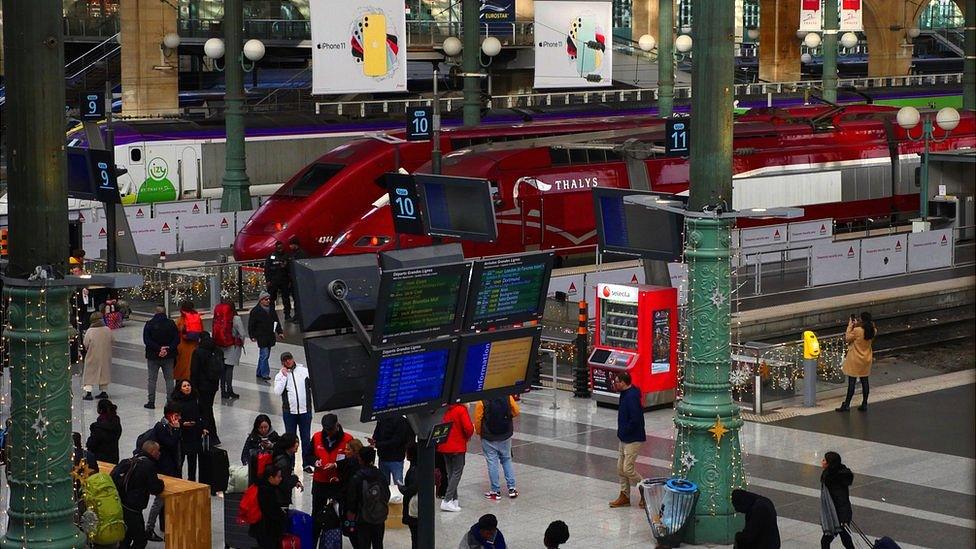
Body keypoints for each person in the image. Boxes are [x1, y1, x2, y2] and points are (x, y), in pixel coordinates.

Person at [113, 440, 164, 549]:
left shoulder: (128, 461)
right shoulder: (148, 465)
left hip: (122, 505)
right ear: (152, 451)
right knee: (140, 540)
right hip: (134, 509)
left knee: (126, 537)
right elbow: (155, 489)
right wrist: (161, 483)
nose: (160, 453)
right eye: (158, 450)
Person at [311, 414, 354, 541]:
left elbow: (352, 461)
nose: (329, 433)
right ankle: (314, 538)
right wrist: (315, 461)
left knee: (341, 512)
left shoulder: (348, 439)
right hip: (320, 481)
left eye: (331, 429)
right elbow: (309, 454)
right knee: (317, 511)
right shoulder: (317, 437)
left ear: (337, 425)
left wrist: (336, 465)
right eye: (326, 430)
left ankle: (338, 538)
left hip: (338, 483)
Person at [145, 405, 182, 542]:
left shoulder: (171, 426)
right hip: (163, 469)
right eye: (175, 415)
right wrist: (177, 429)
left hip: (172, 467)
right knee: (160, 500)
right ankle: (149, 528)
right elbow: (171, 443)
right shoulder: (161, 427)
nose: (177, 418)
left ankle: (170, 524)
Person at [610, 371, 646, 509]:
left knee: (628, 469)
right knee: (620, 468)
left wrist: (626, 430)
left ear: (624, 382)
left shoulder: (631, 397)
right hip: (624, 437)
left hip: (633, 438)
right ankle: (624, 495)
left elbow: (635, 419)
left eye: (617, 381)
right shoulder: (625, 394)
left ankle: (646, 491)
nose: (615, 384)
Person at [272, 351, 313, 470]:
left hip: (305, 411)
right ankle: (290, 464)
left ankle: (306, 463)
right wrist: (284, 377)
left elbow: (313, 385)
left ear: (292, 358)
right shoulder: (280, 375)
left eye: (289, 359)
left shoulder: (303, 371)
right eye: (285, 360)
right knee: (290, 440)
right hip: (289, 413)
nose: (288, 361)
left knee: (306, 438)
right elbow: (277, 391)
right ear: (282, 362)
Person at [474, 396, 520, 500]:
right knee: (507, 459)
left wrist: (479, 432)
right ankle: (512, 488)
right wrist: (507, 418)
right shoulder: (507, 396)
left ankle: (495, 491)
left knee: (492, 462)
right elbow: (516, 411)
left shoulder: (482, 401)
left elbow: (478, 419)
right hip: (505, 434)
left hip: (488, 436)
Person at [346, 446, 389, 549]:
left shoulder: (357, 477)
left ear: (360, 459)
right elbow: (387, 494)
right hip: (379, 516)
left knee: (363, 544)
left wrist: (351, 513)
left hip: (363, 517)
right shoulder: (381, 475)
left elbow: (352, 499)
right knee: (378, 543)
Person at [836, 312, 877, 412]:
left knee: (852, 383)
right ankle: (864, 403)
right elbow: (869, 328)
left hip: (855, 359)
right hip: (866, 359)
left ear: (862, 320)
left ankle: (846, 404)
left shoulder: (857, 330)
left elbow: (847, 338)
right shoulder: (873, 330)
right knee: (865, 381)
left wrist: (850, 325)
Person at [437, 402, 473, 512]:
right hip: (457, 446)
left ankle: (454, 499)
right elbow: (468, 428)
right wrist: (467, 437)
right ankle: (447, 500)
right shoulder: (461, 409)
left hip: (444, 446)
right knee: (457, 473)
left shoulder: (442, 408)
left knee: (450, 474)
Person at [168, 379, 207, 481]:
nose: (187, 387)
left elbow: (202, 415)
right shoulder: (175, 402)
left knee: (193, 462)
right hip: (181, 436)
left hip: (194, 435)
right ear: (180, 389)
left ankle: (192, 481)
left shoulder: (196, 400)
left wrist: (203, 427)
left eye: (188, 385)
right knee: (179, 461)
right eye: (184, 386)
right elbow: (170, 418)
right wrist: (182, 424)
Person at [189, 332, 224, 445]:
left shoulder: (198, 352)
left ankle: (210, 436)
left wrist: (192, 387)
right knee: (208, 409)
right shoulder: (218, 350)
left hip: (201, 386)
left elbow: (194, 371)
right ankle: (211, 436)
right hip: (213, 385)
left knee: (205, 411)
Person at [142, 305, 179, 409]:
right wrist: (167, 349)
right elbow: (177, 339)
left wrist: (158, 349)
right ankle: (170, 402)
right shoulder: (171, 324)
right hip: (169, 356)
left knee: (152, 379)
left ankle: (151, 402)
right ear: (165, 312)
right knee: (169, 379)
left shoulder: (149, 324)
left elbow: (147, 340)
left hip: (153, 356)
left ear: (155, 312)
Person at [212, 298, 247, 400]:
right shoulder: (236, 318)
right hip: (232, 346)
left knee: (222, 370)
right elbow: (242, 334)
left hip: (220, 345)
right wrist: (241, 343)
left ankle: (223, 391)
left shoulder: (219, 317)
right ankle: (229, 390)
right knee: (229, 369)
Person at [820, 451, 855, 549]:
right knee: (846, 541)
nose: (822, 461)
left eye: (824, 460)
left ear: (829, 463)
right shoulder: (832, 475)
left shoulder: (833, 480)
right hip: (838, 515)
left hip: (838, 517)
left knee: (826, 541)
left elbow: (841, 501)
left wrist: (843, 519)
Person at [249, 464, 288, 549]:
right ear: (271, 478)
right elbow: (272, 512)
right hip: (266, 530)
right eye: (278, 477)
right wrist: (283, 515)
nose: (280, 479)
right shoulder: (267, 491)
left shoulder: (261, 486)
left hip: (259, 528)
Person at [368, 414, 414, 488]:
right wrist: (374, 440)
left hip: (395, 458)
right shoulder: (382, 417)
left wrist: (378, 444)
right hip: (384, 457)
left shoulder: (400, 421)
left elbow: (397, 441)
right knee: (384, 483)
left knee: (398, 484)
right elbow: (377, 431)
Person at [247, 291, 283, 381]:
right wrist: (252, 335)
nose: (268, 301)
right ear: (261, 300)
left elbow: (276, 321)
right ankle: (265, 373)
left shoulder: (271, 309)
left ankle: (259, 372)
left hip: (270, 336)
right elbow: (251, 324)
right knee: (265, 355)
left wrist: (280, 332)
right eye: (266, 299)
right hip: (262, 336)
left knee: (264, 355)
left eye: (268, 299)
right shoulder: (255, 311)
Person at [82, 311, 113, 401]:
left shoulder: (90, 331)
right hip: (105, 355)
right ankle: (104, 392)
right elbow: (113, 340)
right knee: (104, 373)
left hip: (93, 355)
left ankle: (88, 393)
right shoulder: (107, 329)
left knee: (89, 373)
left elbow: (85, 343)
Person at [270, 433, 303, 506]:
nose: (297, 444)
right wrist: (295, 478)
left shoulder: (283, 457)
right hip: (279, 499)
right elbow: (284, 484)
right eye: (295, 442)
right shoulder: (283, 462)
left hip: (277, 497)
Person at [264, 240, 293, 321]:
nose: (280, 249)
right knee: (272, 299)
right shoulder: (271, 256)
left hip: (284, 280)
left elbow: (290, 269)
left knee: (286, 298)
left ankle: (287, 315)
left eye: (281, 247)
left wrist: (290, 279)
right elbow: (267, 269)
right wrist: (268, 280)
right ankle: (271, 314)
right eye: (278, 247)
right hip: (273, 281)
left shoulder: (287, 256)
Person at [87, 398, 122, 464]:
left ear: (101, 410)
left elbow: (91, 444)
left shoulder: (98, 427)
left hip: (99, 459)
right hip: (113, 457)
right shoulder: (116, 423)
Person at [174, 300, 203, 380]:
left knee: (181, 369)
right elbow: (201, 331)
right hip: (194, 346)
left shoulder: (180, 320)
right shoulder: (197, 318)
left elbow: (176, 333)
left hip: (182, 346)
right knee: (192, 368)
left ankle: (180, 386)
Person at [400, 445, 419, 549]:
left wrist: (401, 488)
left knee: (415, 536)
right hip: (418, 507)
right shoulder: (420, 466)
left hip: (414, 508)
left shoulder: (415, 470)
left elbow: (411, 489)